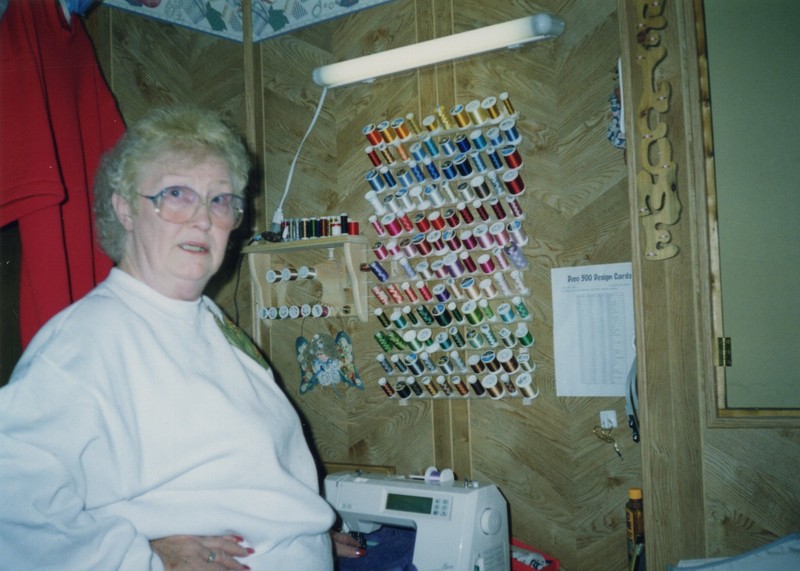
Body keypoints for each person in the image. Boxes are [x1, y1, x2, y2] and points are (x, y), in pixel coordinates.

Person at [0, 105, 363, 569]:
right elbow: (13, 512)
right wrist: (142, 558)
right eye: (177, 194)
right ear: (126, 208)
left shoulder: (207, 319)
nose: (202, 220)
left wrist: (300, 529)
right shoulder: (85, 340)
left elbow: (234, 469)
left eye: (219, 200)